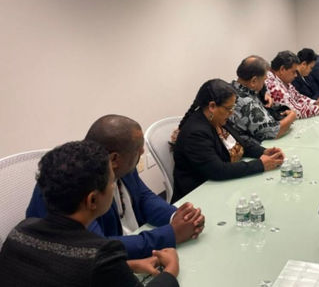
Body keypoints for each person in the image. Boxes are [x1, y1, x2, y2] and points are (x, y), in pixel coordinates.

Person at [1, 141, 180, 287]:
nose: (114, 186)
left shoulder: (19, 232)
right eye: (112, 182)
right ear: (92, 200)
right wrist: (171, 271)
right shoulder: (100, 255)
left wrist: (128, 265)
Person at [27, 115, 204, 259]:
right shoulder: (72, 184)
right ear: (114, 159)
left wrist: (178, 217)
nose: (142, 152)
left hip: (129, 250)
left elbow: (143, 197)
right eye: (138, 149)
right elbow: (98, 247)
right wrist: (171, 234)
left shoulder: (117, 166)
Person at [172, 79, 284, 202]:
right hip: (199, 198)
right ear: (212, 106)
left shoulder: (217, 119)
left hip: (224, 188)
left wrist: (264, 152)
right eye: (229, 108)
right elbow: (218, 170)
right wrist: (260, 165)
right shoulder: (195, 133)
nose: (232, 113)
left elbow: (241, 144)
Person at [230, 55, 296, 143]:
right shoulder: (247, 102)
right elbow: (274, 132)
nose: (264, 84)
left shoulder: (233, 88)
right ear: (253, 81)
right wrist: (292, 116)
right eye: (264, 80)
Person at [265, 51, 319, 119]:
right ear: (282, 69)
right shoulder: (272, 84)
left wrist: (314, 103)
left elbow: (298, 97)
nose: (296, 75)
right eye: (293, 72)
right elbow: (292, 110)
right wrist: (318, 108)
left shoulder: (283, 79)